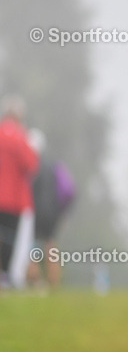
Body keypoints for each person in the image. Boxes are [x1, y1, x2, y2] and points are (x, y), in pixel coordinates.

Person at [27, 130, 76, 289]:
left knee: (32, 243)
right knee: (50, 243)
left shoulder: (31, 167)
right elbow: (69, 190)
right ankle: (53, 279)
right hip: (53, 213)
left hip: (35, 211)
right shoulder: (54, 166)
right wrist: (63, 212)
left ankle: (34, 277)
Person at [0, 95, 38, 290]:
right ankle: (4, 275)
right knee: (9, 238)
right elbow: (31, 164)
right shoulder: (20, 136)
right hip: (12, 199)